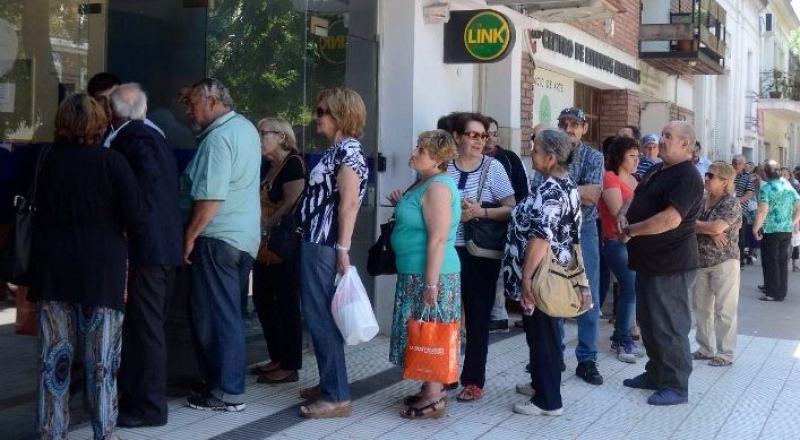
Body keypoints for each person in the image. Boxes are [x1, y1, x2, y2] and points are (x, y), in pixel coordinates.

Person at [29, 93, 140, 440]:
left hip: (52, 270)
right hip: (100, 271)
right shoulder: (113, 163)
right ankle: (105, 432)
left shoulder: (44, 160)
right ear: (99, 123)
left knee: (55, 358)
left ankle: (51, 432)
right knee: (102, 362)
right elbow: (135, 217)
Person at [181, 78, 261, 412]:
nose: (188, 110)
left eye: (192, 103)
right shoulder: (245, 129)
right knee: (226, 313)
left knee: (217, 316)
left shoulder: (218, 139)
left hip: (218, 238)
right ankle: (221, 382)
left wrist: (188, 237)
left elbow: (211, 197)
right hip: (243, 239)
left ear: (213, 101)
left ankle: (228, 392)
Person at [109, 83, 183, 428]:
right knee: (148, 327)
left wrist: (128, 220)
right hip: (162, 246)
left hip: (147, 249)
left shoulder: (134, 138)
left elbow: (139, 185)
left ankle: (149, 407)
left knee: (145, 328)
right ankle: (144, 401)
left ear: (114, 112)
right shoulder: (155, 136)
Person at [617, 120, 704, 406]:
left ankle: (676, 385)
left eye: (668, 136)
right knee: (649, 322)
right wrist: (623, 214)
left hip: (672, 264)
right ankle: (655, 374)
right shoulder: (656, 168)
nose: (662, 140)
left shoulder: (689, 176)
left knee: (670, 325)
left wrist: (632, 231)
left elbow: (670, 219)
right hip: (648, 261)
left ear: (685, 144)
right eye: (662, 135)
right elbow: (636, 197)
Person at [296, 87, 368, 418]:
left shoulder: (349, 152)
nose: (316, 116)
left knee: (320, 316)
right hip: (317, 240)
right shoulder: (338, 150)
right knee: (319, 315)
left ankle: (336, 394)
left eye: (322, 111)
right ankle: (330, 382)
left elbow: (349, 203)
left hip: (324, 243)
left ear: (340, 115)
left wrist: (342, 248)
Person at [505, 128, 587, 416]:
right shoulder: (565, 185)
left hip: (543, 274)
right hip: (554, 270)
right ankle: (541, 385)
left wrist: (526, 279)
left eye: (536, 148)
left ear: (551, 157)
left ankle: (548, 401)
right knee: (541, 333)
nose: (531, 152)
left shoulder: (552, 190)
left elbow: (540, 238)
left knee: (544, 336)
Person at [386, 130, 460, 419]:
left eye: (421, 150)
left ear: (438, 158)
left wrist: (431, 283)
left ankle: (434, 396)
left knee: (432, 331)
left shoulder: (438, 187)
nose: (414, 153)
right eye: (417, 146)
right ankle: (431, 387)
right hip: (416, 271)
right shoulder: (425, 183)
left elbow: (438, 238)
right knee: (423, 329)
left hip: (430, 274)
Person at [531, 107, 604, 386]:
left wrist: (560, 185)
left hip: (584, 229)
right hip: (553, 230)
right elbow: (539, 188)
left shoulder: (594, 156)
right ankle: (556, 355)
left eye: (576, 123)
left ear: (584, 129)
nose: (570, 128)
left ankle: (587, 359)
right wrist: (575, 189)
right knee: (553, 286)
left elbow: (593, 195)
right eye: (564, 123)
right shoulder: (545, 153)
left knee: (587, 290)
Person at [446, 112, 515, 402]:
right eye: (473, 135)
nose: (479, 141)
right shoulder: (443, 165)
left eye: (483, 136)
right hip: (447, 249)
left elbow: (512, 207)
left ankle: (473, 380)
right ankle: (444, 374)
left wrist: (481, 212)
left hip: (480, 253)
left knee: (476, 316)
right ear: (458, 137)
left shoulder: (494, 167)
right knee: (446, 316)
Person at [250, 117, 306, 384]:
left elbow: (292, 204)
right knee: (262, 299)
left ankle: (290, 363)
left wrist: (267, 226)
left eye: (264, 133)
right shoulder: (266, 166)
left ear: (281, 137)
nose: (259, 138)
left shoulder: (292, 163)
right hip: (262, 245)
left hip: (282, 246)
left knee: (286, 303)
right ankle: (276, 357)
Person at [692, 162, 741, 367]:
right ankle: (705, 349)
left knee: (725, 310)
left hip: (724, 262)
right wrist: (708, 229)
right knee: (701, 309)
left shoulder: (730, 203)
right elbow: (685, 223)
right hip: (700, 262)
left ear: (724, 182)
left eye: (711, 176)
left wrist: (708, 228)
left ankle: (725, 354)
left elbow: (717, 227)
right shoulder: (701, 201)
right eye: (706, 174)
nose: (707, 178)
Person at [598, 137, 642, 363]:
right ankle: (623, 340)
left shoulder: (635, 180)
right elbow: (619, 215)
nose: (637, 160)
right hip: (615, 242)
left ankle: (621, 336)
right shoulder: (609, 178)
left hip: (635, 242)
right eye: (632, 155)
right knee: (630, 289)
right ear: (619, 156)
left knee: (632, 289)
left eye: (638, 155)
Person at [485, 116, 529, 333]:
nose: (490, 139)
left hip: (505, 222)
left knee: (500, 268)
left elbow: (522, 191)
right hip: (478, 225)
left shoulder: (508, 158)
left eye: (494, 133)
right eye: (486, 134)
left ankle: (499, 314)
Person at [753, 160, 800, 302]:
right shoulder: (788, 185)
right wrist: (793, 222)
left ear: (766, 173)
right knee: (781, 261)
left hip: (770, 230)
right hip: (786, 229)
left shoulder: (766, 188)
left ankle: (772, 292)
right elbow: (799, 206)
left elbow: (762, 211)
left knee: (770, 261)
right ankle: (781, 291)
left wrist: (755, 228)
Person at [732, 155, 754, 268]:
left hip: (740, 211)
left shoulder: (747, 177)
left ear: (744, 165)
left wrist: (737, 201)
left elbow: (750, 193)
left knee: (740, 236)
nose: (737, 165)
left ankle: (740, 261)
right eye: (735, 162)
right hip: (726, 210)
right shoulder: (728, 175)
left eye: (739, 163)